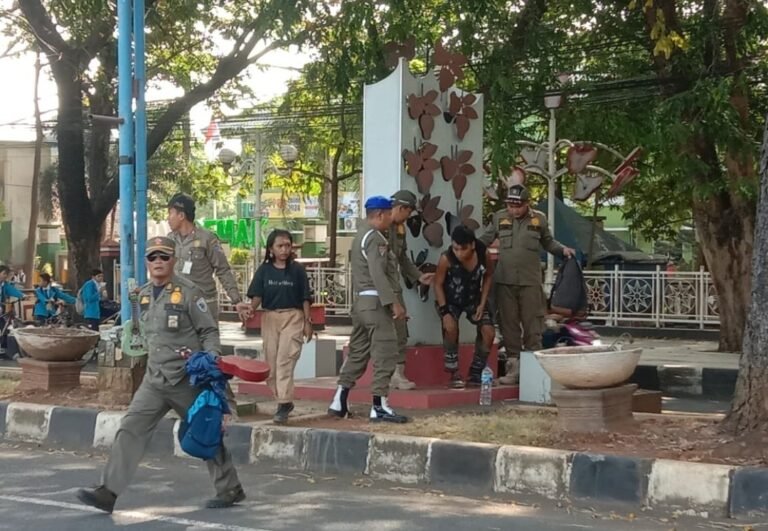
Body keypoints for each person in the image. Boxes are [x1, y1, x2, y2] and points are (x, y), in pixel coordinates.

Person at [76, 237, 245, 514]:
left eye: (164, 257)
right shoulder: (142, 295)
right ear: (146, 262)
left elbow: (209, 331)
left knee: (205, 431)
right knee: (130, 428)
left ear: (173, 261)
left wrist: (211, 360)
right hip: (154, 380)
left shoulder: (190, 292)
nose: (158, 262)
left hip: (186, 378)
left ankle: (230, 488)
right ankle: (109, 492)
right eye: (153, 257)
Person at [479, 184, 575, 385]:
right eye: (511, 205)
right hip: (504, 280)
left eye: (518, 205)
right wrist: (469, 248)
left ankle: (534, 370)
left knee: (533, 324)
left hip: (530, 281)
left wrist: (563, 250)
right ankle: (514, 369)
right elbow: (484, 240)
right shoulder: (499, 217)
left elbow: (549, 242)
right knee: (509, 324)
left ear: (526, 203)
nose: (514, 209)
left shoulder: (538, 219)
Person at [327, 196, 408, 423]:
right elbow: (378, 273)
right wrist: (393, 302)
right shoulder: (374, 238)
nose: (392, 218)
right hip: (375, 304)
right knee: (386, 351)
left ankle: (339, 400)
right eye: (389, 213)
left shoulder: (359, 236)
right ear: (380, 214)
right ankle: (379, 405)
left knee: (358, 353)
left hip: (361, 303)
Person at [241, 229, 313, 425]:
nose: (284, 249)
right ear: (271, 249)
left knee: (284, 361)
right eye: (280, 246)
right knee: (271, 366)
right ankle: (283, 400)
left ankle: (283, 403)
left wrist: (308, 322)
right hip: (270, 318)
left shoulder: (297, 270)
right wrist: (250, 310)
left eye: (288, 245)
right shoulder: (264, 270)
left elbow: (305, 297)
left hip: (293, 317)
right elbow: (257, 295)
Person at [167, 193, 251, 321]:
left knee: (207, 340)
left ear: (181, 216)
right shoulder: (169, 240)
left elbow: (223, 270)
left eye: (170, 213)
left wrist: (236, 300)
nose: (168, 218)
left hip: (203, 305)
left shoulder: (207, 239)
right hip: (177, 305)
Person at [434, 225, 495, 388]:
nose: (459, 253)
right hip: (450, 300)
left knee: (488, 331)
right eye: (455, 248)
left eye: (463, 249)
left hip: (473, 299)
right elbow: (438, 284)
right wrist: (444, 311)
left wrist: (483, 302)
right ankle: (453, 372)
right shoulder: (446, 258)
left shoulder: (484, 255)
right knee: (451, 328)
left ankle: (476, 372)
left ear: (472, 245)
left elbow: (489, 275)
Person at [388, 190, 435, 390]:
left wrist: (418, 276)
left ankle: (397, 374)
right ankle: (349, 373)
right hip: (375, 287)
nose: (408, 218)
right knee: (366, 331)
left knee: (400, 329)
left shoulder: (400, 229)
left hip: (393, 285)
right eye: (408, 213)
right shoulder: (378, 226)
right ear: (401, 208)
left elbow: (403, 258)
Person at [0, 265, 24, 359]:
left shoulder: (4, 285)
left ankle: (3, 349)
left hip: (1, 309)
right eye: (4, 274)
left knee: (4, 327)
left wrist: (22, 295)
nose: (5, 276)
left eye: (7, 274)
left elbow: (12, 290)